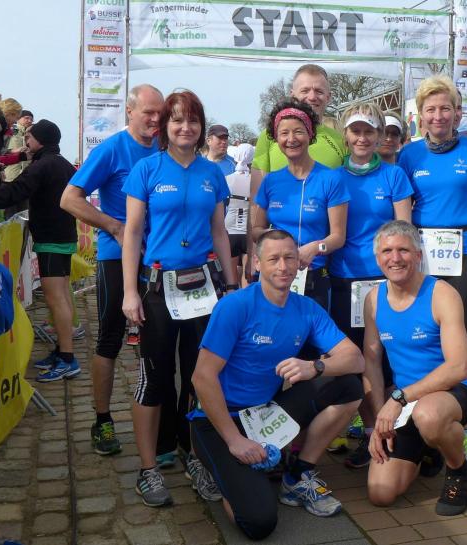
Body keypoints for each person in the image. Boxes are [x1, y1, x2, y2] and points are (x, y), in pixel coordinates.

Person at [190, 229, 364, 540]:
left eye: (289, 258)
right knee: (259, 523)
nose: (283, 266)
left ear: (299, 263)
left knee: (349, 385)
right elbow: (201, 377)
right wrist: (234, 441)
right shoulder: (235, 306)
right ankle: (213, 467)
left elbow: (356, 359)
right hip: (219, 421)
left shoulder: (306, 308)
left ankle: (296, 477)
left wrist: (314, 366)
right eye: (273, 259)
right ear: (257, 264)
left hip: (264, 414)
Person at [121, 90, 236, 507]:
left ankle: (197, 459)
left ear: (201, 126)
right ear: (164, 126)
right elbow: (133, 232)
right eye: (177, 120)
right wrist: (129, 292)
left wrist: (231, 286)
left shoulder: (213, 172)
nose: (185, 127)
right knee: (153, 379)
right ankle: (148, 468)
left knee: (199, 377)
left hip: (203, 288)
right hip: (156, 288)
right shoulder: (147, 169)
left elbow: (220, 232)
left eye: (193, 120)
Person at [396, 75, 467, 472]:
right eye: (430, 109)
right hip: (423, 256)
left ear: (457, 113)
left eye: (445, 108)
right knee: (425, 336)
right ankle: (427, 423)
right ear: (420, 116)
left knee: (462, 340)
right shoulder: (408, 155)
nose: (438, 116)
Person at [61, 84, 164, 457]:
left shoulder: (167, 147)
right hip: (115, 257)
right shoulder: (111, 150)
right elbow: (69, 199)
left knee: (161, 340)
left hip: (158, 257)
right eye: (148, 112)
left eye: (160, 112)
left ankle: (163, 425)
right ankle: (102, 420)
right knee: (110, 338)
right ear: (130, 112)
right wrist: (114, 227)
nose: (155, 119)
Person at [364, 221, 467, 516]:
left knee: (428, 416)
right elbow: (371, 362)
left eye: (403, 250)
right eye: (387, 251)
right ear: (377, 258)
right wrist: (379, 421)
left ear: (418, 255)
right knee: (381, 493)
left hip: (451, 391)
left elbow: (458, 368)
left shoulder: (442, 294)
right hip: (405, 403)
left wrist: (398, 399)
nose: (395, 258)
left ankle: (457, 468)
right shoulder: (373, 298)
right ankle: (429, 448)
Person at [327, 102, 413, 468]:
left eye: (369, 131)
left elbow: (405, 230)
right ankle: (370, 432)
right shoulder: (332, 177)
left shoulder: (394, 176)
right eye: (356, 131)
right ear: (345, 136)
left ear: (379, 136)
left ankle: (397, 431)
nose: (362, 138)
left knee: (388, 360)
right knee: (360, 360)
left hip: (385, 280)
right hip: (344, 280)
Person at [0, 120, 80, 382]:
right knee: (62, 296)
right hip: (63, 235)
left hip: (51, 238)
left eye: (29, 138)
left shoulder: (42, 165)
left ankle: (68, 358)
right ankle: (61, 350)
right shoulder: (63, 163)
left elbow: (14, 191)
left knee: (56, 299)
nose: (26, 142)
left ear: (40, 140)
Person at [251, 98, 349, 313]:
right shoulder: (270, 181)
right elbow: (256, 230)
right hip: (274, 275)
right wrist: (272, 239)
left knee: (311, 335)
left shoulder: (331, 179)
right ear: (276, 138)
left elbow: (338, 237)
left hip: (314, 276)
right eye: (284, 133)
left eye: (298, 132)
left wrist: (315, 248)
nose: (291, 139)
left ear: (310, 134)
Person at [224, 143, 255, 284]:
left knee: (231, 279)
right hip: (249, 232)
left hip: (230, 231)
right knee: (247, 277)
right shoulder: (255, 180)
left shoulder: (227, 179)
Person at [4, 109, 34, 182]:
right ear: (18, 118)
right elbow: (0, 150)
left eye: (31, 119)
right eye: (26, 118)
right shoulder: (12, 129)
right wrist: (13, 150)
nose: (29, 121)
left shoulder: (32, 134)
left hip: (25, 178)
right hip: (9, 175)